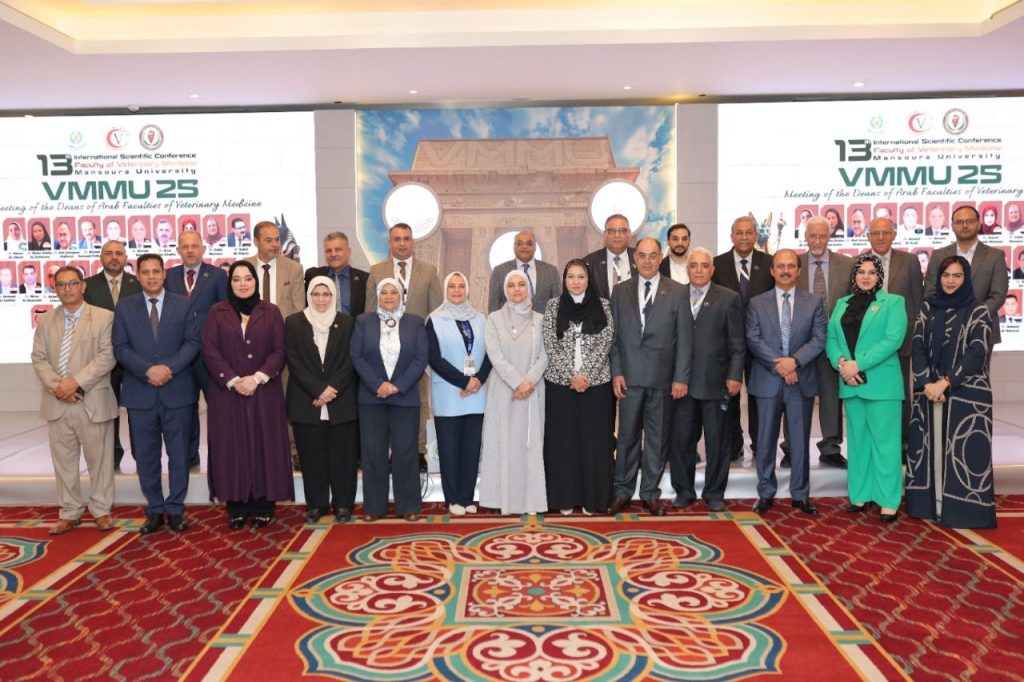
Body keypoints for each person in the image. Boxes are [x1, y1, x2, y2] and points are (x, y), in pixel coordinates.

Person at [112, 254, 200, 534]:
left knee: (179, 455)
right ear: (138, 276)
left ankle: (175, 509)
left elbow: (192, 343)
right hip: (141, 392)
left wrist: (167, 368)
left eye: (156, 271)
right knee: (146, 456)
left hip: (177, 392)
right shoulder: (124, 307)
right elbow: (120, 347)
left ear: (164, 274)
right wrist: (148, 370)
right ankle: (154, 509)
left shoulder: (183, 304)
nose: (151, 277)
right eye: (145, 272)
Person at [202, 261, 293, 528]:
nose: (242, 284)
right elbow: (209, 349)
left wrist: (257, 378)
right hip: (228, 393)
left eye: (248, 278)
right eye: (237, 279)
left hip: (264, 390)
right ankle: (237, 506)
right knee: (231, 447)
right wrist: (232, 380)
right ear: (230, 283)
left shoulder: (271, 311)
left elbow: (279, 350)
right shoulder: (217, 312)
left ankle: (264, 504)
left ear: (255, 281)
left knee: (265, 446)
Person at [907, 256, 995, 528]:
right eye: (946, 275)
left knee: (963, 453)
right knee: (929, 450)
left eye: (957, 275)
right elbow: (918, 345)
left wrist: (945, 383)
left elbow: (977, 352)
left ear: (966, 278)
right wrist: (927, 384)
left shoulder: (978, 311)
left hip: (965, 392)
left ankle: (962, 512)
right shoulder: (928, 308)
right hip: (929, 391)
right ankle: (930, 506)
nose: (950, 281)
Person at [31, 266, 118, 535]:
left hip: (92, 400)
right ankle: (69, 512)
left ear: (83, 286)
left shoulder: (104, 317)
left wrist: (75, 383)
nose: (67, 289)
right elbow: (39, 358)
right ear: (55, 289)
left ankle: (101, 511)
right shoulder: (46, 320)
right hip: (57, 402)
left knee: (100, 462)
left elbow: (107, 356)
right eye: (61, 285)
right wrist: (59, 387)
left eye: (72, 283)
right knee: (64, 463)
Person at [608, 238, 691, 516]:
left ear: (660, 258)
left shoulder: (678, 291)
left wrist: (681, 377)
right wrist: (616, 372)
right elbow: (613, 338)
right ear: (635, 259)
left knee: (657, 439)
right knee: (627, 438)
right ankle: (622, 491)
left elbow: (685, 340)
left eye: (652, 255)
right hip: (629, 379)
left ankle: (650, 494)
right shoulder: (620, 291)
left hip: (663, 379)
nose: (646, 261)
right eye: (642, 255)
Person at [826, 254, 907, 523]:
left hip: (882, 385)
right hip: (851, 384)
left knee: (885, 445)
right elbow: (832, 337)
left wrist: (857, 365)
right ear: (854, 275)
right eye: (861, 272)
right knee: (858, 443)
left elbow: (892, 340)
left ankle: (888, 501)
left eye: (872, 272)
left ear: (880, 276)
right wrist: (842, 364)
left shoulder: (893, 302)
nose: (866, 277)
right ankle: (860, 495)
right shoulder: (842, 303)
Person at [746, 249, 826, 516]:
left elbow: (819, 338)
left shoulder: (813, 302)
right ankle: (765, 492)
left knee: (800, 441)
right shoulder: (757, 303)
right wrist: (781, 365)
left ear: (799, 271)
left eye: (791, 266)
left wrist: (795, 361)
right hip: (768, 380)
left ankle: (800, 494)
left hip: (800, 380)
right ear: (772, 271)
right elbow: (753, 338)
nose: (785, 270)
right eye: (780, 266)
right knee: (765, 440)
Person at [669, 247, 744, 512]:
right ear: (687, 269)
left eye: (704, 265)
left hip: (716, 383)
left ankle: (714, 493)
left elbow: (738, 344)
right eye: (694, 265)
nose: (699, 270)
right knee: (681, 442)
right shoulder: (674, 296)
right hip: (681, 384)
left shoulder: (729, 298)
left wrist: (735, 375)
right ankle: (684, 491)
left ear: (712, 270)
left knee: (717, 442)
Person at [351, 278, 429, 521]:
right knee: (373, 453)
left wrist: (397, 386)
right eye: (383, 292)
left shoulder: (415, 322)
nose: (388, 296)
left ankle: (409, 506)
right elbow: (356, 356)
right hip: (371, 398)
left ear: (401, 296)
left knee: (406, 452)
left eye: (393, 292)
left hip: (405, 397)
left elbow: (421, 357)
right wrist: (378, 385)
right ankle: (374, 508)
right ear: (378, 296)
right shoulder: (363, 321)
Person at [365, 223, 442, 467]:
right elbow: (369, 312)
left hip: (415, 351)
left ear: (413, 242)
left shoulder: (428, 271)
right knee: (386, 398)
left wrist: (428, 349)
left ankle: (418, 451)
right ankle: (389, 451)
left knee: (419, 400)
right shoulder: (376, 270)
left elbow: (436, 314)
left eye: (406, 239)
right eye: (396, 239)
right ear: (389, 243)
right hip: (383, 351)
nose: (401, 243)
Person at [542, 259, 615, 515]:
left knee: (594, 444)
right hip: (560, 387)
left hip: (596, 387)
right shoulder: (553, 306)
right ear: (564, 280)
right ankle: (564, 498)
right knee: (563, 444)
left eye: (581, 276)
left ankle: (592, 499)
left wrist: (586, 376)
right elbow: (550, 344)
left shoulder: (603, 305)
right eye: (571, 276)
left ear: (588, 280)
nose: (576, 282)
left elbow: (605, 342)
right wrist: (571, 376)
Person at [286, 276, 359, 523]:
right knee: (311, 457)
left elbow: (351, 359)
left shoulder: (347, 323)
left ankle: (343, 504)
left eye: (326, 294)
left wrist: (330, 390)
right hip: (306, 401)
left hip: (341, 400)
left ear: (333, 296)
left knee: (343, 457)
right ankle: (316, 505)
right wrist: (318, 390)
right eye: (316, 294)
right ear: (309, 296)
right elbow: (294, 361)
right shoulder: (294, 323)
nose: (321, 299)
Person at [479, 270, 549, 515]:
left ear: (528, 288)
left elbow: (546, 354)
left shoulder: (541, 320)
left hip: (532, 392)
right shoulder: (494, 319)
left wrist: (529, 381)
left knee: (528, 445)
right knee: (502, 443)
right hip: (504, 391)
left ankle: (531, 502)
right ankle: (498, 500)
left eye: (521, 284)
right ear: (505, 290)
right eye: (511, 285)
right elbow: (495, 355)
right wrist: (518, 382)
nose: (517, 289)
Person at [427, 272, 492, 515]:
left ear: (467, 290)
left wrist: (477, 381)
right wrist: (464, 382)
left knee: (471, 450)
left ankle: (467, 497)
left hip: (476, 394)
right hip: (449, 395)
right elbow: (434, 358)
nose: (457, 290)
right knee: (450, 450)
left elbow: (490, 353)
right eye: (452, 286)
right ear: (446, 290)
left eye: (461, 286)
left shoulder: (480, 319)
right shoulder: (434, 319)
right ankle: (453, 498)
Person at [792, 216, 854, 468]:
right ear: (806, 237)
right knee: (796, 396)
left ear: (829, 237)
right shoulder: (794, 264)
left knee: (831, 397)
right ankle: (792, 447)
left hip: (834, 342)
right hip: (801, 343)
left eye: (822, 236)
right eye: (812, 236)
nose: (817, 241)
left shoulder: (847, 265)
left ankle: (830, 448)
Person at [713, 216, 774, 460]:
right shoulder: (717, 264)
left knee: (759, 396)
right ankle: (733, 444)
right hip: (727, 344)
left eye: (749, 232)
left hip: (762, 344)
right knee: (730, 396)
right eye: (739, 232)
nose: (744, 237)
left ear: (756, 236)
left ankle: (760, 444)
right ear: (731, 236)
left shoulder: (769, 263)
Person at [166, 231, 228, 468]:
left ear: (203, 249)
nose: (190, 250)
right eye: (185, 246)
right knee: (185, 408)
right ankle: (189, 454)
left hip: (210, 355)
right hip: (180, 354)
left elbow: (225, 314)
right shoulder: (169, 276)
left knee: (219, 406)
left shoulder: (218, 275)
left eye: (194, 246)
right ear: (178, 250)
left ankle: (221, 453)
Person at [84, 240, 143, 469]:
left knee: (138, 411)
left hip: (133, 360)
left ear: (126, 258)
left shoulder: (137, 283)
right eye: (109, 253)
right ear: (101, 257)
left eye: (119, 253)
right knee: (107, 412)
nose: (114, 257)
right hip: (102, 360)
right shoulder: (88, 286)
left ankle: (141, 455)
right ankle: (112, 456)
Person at [866, 217, 923, 452]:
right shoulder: (858, 261)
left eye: (886, 232)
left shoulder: (909, 261)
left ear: (894, 235)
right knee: (872, 392)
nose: (881, 237)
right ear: (868, 236)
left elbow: (918, 299)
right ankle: (876, 441)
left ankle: (903, 442)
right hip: (869, 341)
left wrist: (916, 334)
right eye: (876, 233)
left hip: (902, 338)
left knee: (900, 392)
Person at [924, 206, 1008, 347]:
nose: (964, 225)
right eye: (959, 222)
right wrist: (951, 317)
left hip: (982, 327)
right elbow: (930, 292)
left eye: (969, 221)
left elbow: (998, 295)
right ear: (952, 226)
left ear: (979, 224)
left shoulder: (995, 256)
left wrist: (975, 316)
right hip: (944, 328)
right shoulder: (939, 255)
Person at [488, 229, 561, 313]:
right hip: (509, 321)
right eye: (520, 243)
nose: (524, 247)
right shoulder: (499, 272)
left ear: (535, 247)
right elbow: (493, 306)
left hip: (543, 321)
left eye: (529, 243)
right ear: (514, 247)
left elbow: (557, 305)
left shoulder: (550, 271)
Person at [244, 221, 306, 319]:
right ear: (256, 242)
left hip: (284, 327)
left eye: (277, 239)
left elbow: (299, 309)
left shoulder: (294, 268)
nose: (275, 245)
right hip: (250, 326)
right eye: (268, 240)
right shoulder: (244, 266)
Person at [304, 231, 369, 316]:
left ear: (349, 252)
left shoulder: (364, 279)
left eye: (338, 250)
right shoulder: (314, 276)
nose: (333, 254)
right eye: (329, 251)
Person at [582, 214, 637, 299]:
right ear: (605, 234)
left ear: (629, 234)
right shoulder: (589, 263)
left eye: (622, 231)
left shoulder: (642, 259)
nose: (617, 235)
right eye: (612, 231)